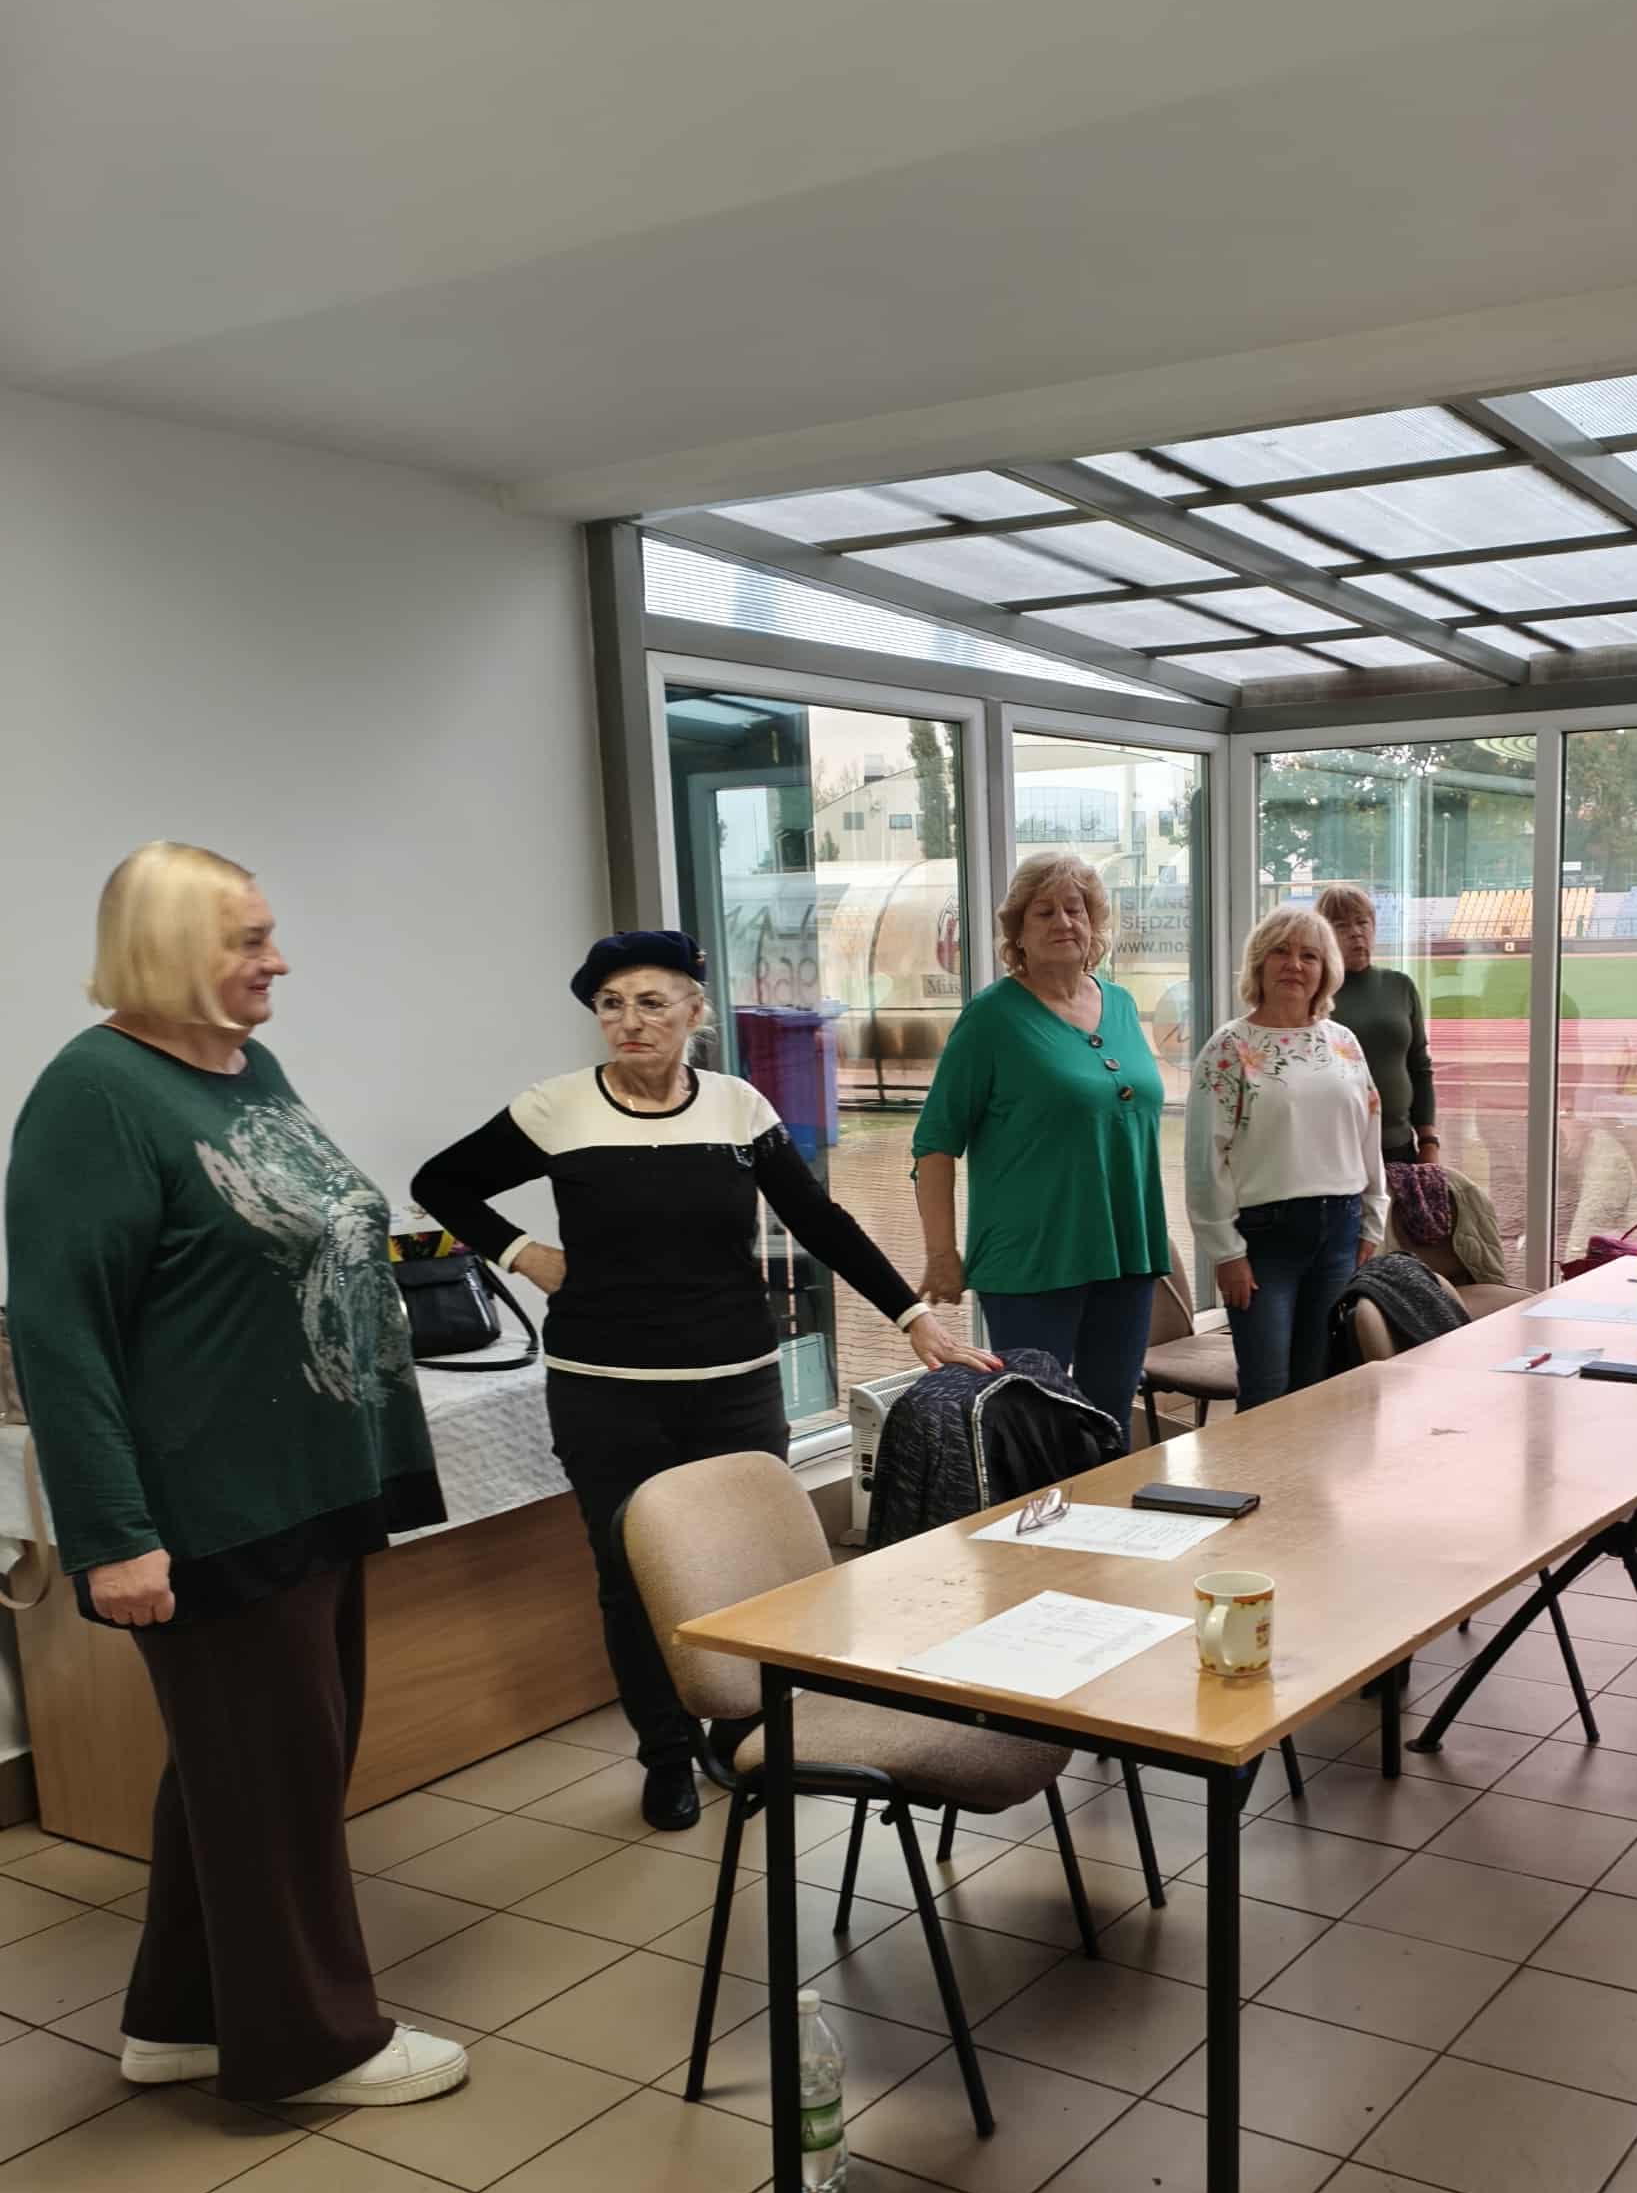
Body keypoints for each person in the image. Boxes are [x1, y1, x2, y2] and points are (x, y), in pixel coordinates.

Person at [4, 844, 467, 2107]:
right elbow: (58, 1334)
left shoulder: (242, 1067)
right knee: (277, 1780)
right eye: (248, 940)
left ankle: (181, 2019)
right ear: (166, 946)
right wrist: (112, 1535)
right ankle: (312, 2045)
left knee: (250, 1770)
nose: (278, 961)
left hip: (313, 1479)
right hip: (212, 1508)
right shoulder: (95, 1096)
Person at [414, 931, 993, 1829]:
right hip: (604, 1387)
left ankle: (742, 1733)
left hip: (734, 1385)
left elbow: (820, 1221)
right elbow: (441, 1183)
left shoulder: (737, 1108)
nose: (630, 1021)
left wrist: (911, 1316)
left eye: (652, 1003)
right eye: (611, 1004)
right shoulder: (557, 1108)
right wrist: (525, 1254)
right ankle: (666, 1755)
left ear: (694, 1013)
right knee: (628, 1574)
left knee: (744, 1570)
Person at [913, 854, 1168, 1442]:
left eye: (1075, 909)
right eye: (1044, 912)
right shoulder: (991, 1019)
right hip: (1032, 1260)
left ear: (1093, 922)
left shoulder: (1121, 1004)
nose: (1063, 922)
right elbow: (935, 1144)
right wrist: (942, 1254)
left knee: (1110, 1423)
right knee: (1039, 1433)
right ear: (1018, 932)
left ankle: (1110, 1509)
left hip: (1126, 1253)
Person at [1186, 903, 1387, 1408]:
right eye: (1280, 952)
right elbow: (1204, 1158)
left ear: (1326, 970)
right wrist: (1225, 1252)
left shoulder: (1343, 1043)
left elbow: (1368, 1132)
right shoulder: (1229, 1048)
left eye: (1309, 956)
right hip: (1263, 1242)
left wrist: (1372, 1220)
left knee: (1321, 1385)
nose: (1294, 965)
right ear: (1259, 963)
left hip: (1340, 1231)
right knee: (1267, 1389)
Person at [1314, 882, 1440, 1165]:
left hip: (1399, 1148)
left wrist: (1429, 1141)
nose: (1356, 932)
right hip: (1336, 1153)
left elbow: (1419, 1067)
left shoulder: (1400, 986)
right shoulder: (1316, 994)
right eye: (1342, 926)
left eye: (1362, 922)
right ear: (1323, 936)